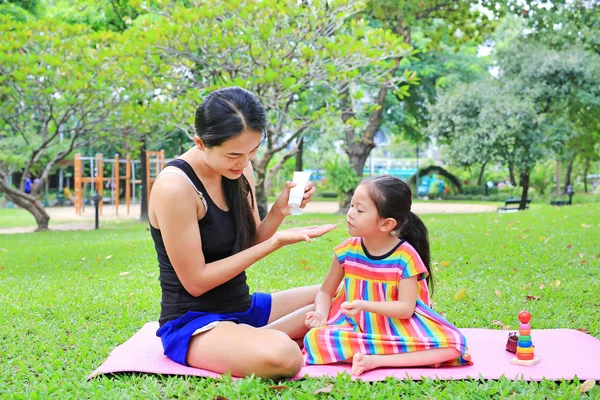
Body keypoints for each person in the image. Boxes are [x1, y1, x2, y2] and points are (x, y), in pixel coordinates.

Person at [148, 87, 336, 379]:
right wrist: (276, 243)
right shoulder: (175, 188)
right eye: (234, 154)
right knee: (284, 356)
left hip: (242, 306)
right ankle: (263, 335)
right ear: (200, 143)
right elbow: (196, 282)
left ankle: (256, 333)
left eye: (253, 150)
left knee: (350, 290)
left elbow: (246, 245)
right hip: (195, 323)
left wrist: (278, 212)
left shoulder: (238, 169)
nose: (245, 161)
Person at [303, 175, 472, 376]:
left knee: (455, 344)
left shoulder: (405, 257)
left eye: (360, 210)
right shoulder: (346, 252)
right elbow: (324, 292)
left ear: (386, 224)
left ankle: (377, 360)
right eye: (351, 205)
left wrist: (364, 305)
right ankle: (390, 356)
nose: (350, 214)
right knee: (314, 339)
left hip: (399, 328)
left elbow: (405, 309)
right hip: (356, 326)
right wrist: (322, 314)